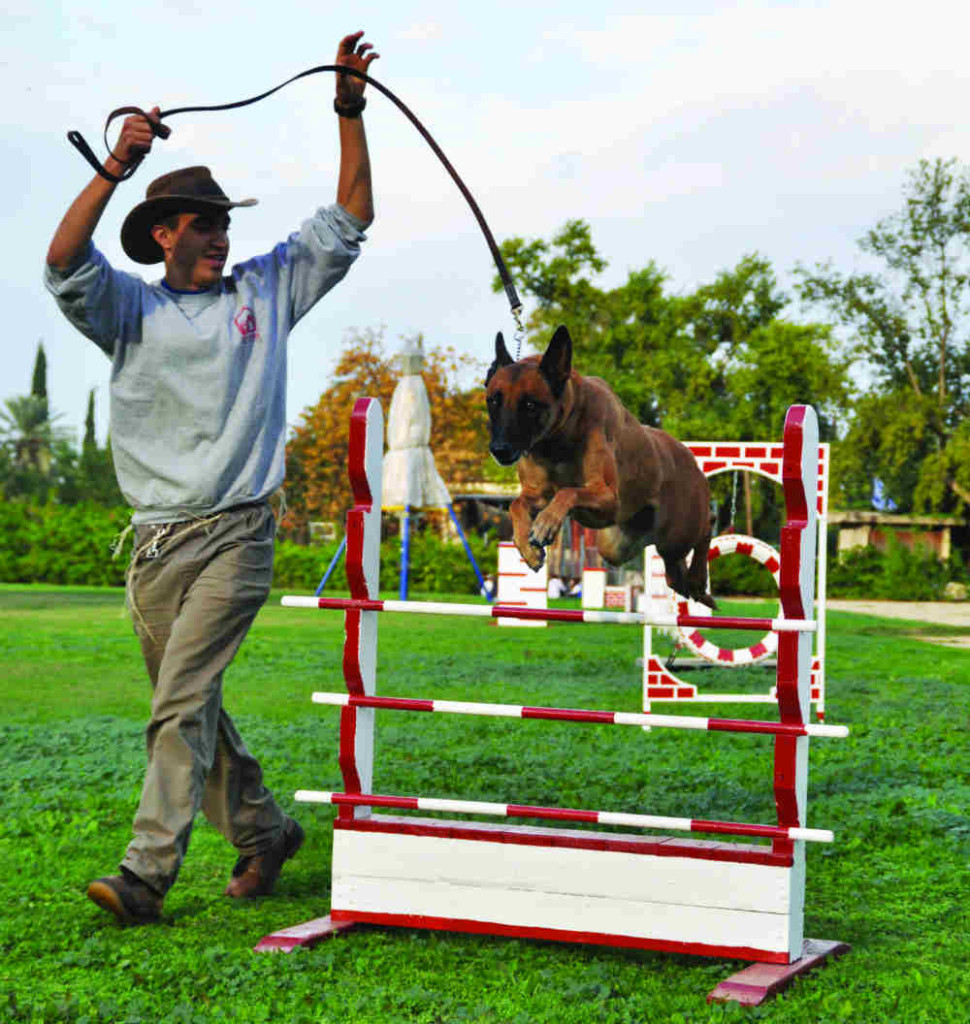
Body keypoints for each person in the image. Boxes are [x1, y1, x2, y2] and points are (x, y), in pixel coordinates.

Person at [44, 31, 379, 926]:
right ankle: (264, 831)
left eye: (225, 222)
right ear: (163, 235)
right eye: (204, 225)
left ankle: (146, 873)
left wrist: (349, 111)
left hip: (237, 532)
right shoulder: (128, 307)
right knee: (188, 707)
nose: (222, 238)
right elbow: (62, 258)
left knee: (180, 703)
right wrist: (117, 164)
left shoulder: (264, 293)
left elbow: (351, 214)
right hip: (154, 547)